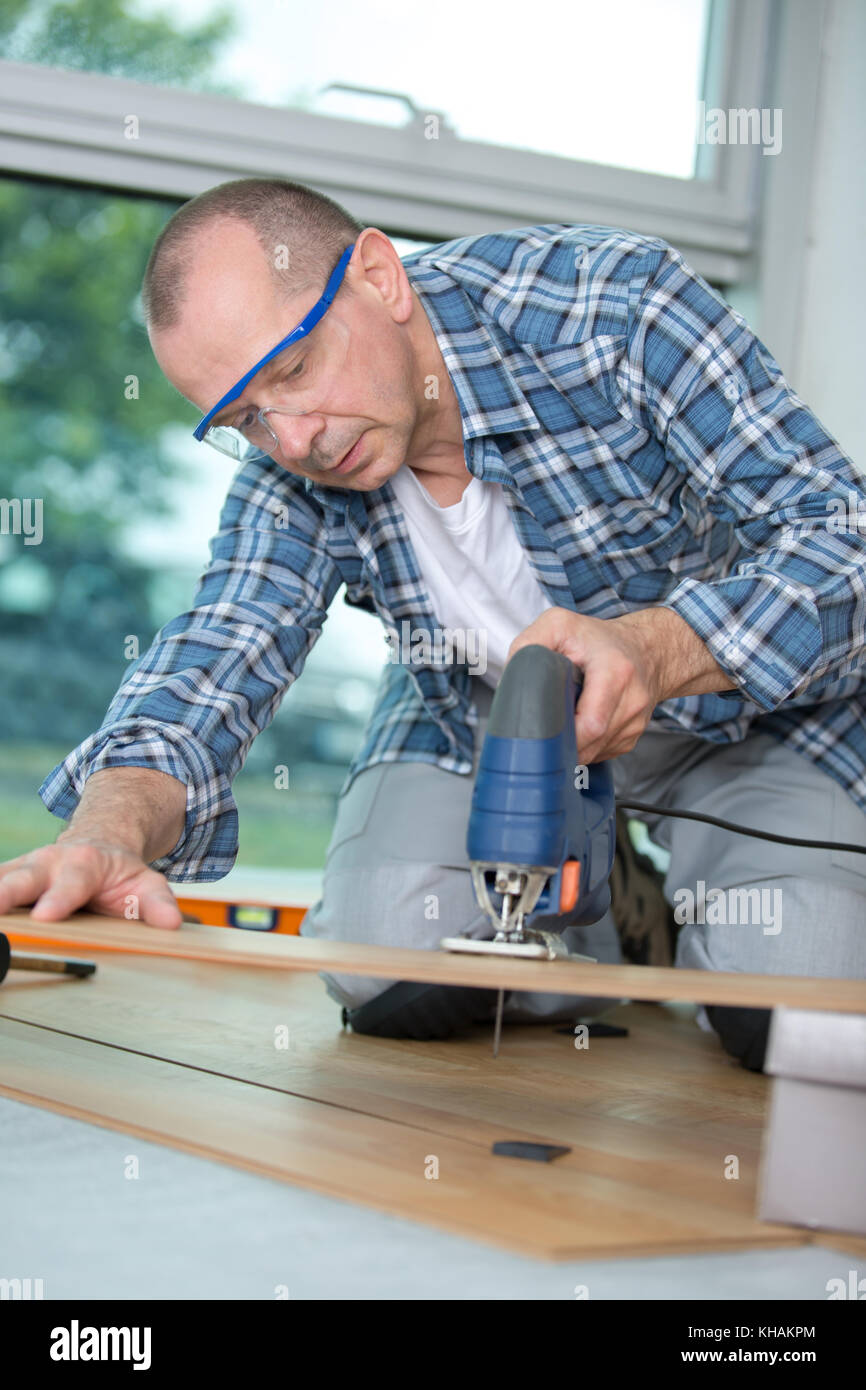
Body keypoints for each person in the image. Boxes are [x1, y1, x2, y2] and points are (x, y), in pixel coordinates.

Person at [3, 178, 864, 1071]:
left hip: (739, 710)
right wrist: (104, 834)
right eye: (246, 419)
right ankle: (612, 920)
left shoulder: (615, 306)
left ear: (380, 275)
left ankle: (685, 908)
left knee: (804, 993)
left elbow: (847, 544)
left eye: (293, 370)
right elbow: (213, 659)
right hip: (483, 718)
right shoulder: (297, 469)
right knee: (383, 963)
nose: (293, 440)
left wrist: (657, 648)